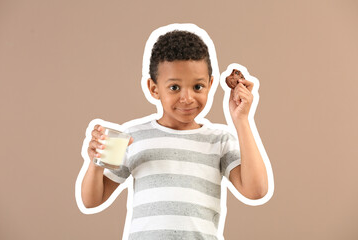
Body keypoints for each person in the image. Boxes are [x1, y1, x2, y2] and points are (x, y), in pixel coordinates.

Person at [81, 29, 268, 240]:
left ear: (211, 85)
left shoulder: (219, 141)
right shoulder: (132, 137)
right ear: (154, 88)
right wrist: (95, 163)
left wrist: (242, 120)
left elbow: (256, 190)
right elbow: (92, 200)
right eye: (174, 87)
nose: (187, 98)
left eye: (198, 86)